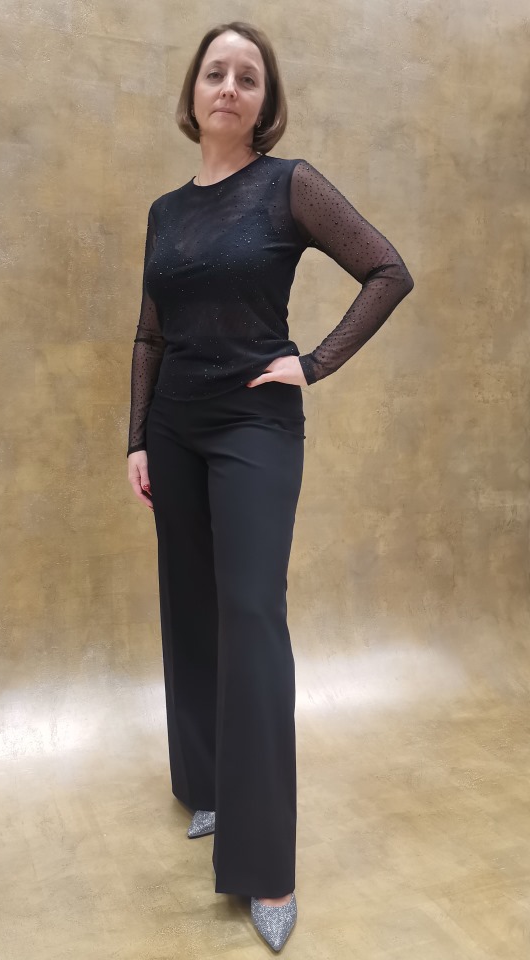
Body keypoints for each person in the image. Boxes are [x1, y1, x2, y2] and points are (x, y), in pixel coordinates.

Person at [126, 21, 414, 953]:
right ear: (194, 91)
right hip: (174, 429)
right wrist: (136, 438)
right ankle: (209, 787)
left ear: (264, 101)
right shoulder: (167, 212)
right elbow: (150, 333)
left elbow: (387, 270)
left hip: (255, 423)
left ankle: (265, 865)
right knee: (191, 605)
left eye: (247, 77)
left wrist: (313, 363)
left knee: (250, 614)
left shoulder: (288, 185)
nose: (229, 86)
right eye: (215, 72)